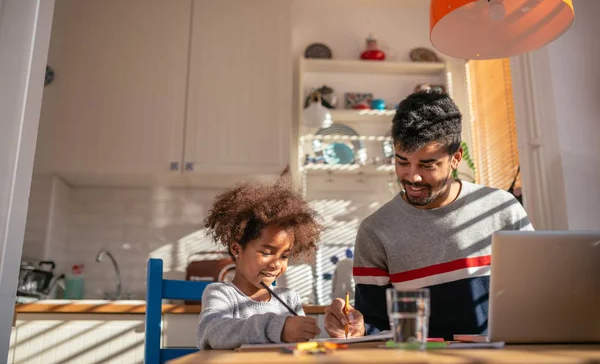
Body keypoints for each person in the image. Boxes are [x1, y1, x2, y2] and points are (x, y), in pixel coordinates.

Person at [324, 91, 533, 341]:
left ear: (455, 159)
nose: (412, 177)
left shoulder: (501, 209)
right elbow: (375, 326)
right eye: (402, 162)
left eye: (427, 165)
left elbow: (535, 298)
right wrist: (356, 328)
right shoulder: (375, 231)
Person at [196, 166, 323, 350]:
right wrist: (277, 328)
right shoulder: (221, 294)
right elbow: (212, 332)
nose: (276, 264)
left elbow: (303, 348)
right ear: (236, 248)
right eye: (267, 252)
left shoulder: (289, 299)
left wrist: (332, 333)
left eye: (285, 256)